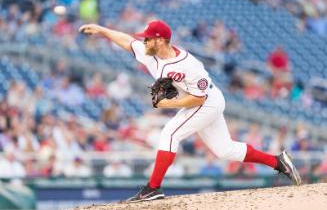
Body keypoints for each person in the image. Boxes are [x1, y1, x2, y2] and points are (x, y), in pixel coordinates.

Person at [79, 20, 302, 202]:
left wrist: (166, 105)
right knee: (225, 150)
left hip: (207, 102)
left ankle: (153, 188)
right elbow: (128, 41)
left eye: (148, 37)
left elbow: (199, 98)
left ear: (161, 40)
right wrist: (101, 30)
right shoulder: (150, 53)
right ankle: (278, 162)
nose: (144, 40)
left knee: (170, 133)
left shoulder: (189, 65)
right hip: (202, 101)